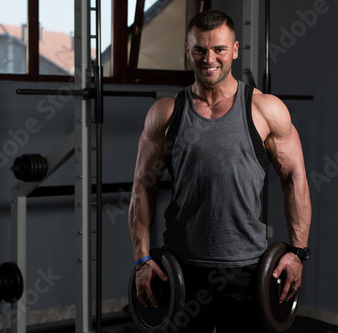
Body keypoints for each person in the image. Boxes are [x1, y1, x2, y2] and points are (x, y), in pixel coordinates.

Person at [128, 9, 311, 332]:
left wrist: (297, 252)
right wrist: (142, 259)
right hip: (183, 269)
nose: (208, 58)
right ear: (188, 51)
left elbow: (295, 178)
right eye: (199, 49)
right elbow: (143, 186)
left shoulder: (266, 110)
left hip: (247, 271)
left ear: (235, 50)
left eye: (219, 49)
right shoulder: (167, 113)